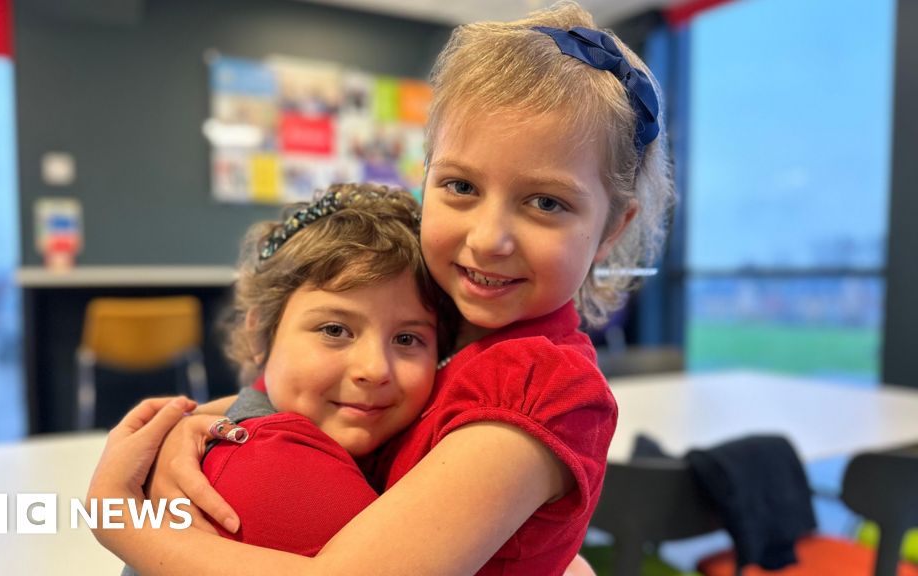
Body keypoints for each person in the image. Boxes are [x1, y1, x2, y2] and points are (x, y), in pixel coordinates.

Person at [89, 2, 674, 574]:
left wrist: (123, 523)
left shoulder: (540, 386)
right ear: (425, 176)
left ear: (611, 228)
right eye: (461, 186)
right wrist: (201, 426)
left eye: (546, 202)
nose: (489, 238)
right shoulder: (456, 320)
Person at [118, 184, 449, 576]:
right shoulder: (281, 471)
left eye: (407, 339)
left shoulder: (278, 410)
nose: (375, 369)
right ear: (262, 333)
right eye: (334, 330)